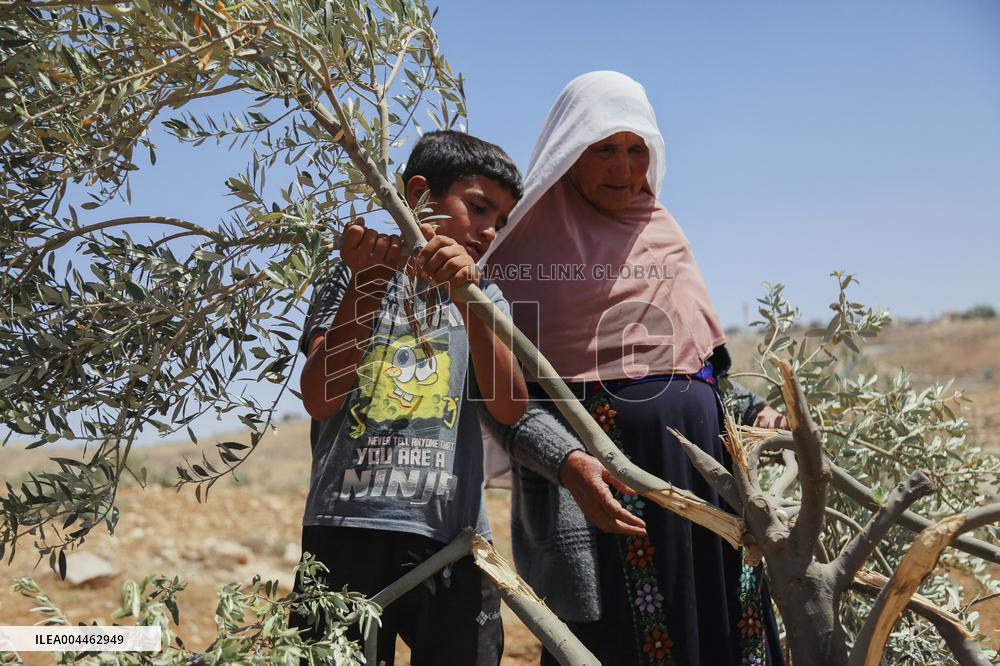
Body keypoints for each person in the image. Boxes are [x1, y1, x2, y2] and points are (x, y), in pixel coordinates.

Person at [481, 71, 785, 665]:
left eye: (635, 150)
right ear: (569, 154)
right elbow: (502, 400)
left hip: (706, 474)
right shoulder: (519, 255)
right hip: (606, 489)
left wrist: (752, 412)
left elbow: (699, 369)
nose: (622, 168)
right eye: (603, 150)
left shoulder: (663, 230)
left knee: (718, 629)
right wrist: (568, 465)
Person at [292, 130, 527, 666]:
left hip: (451, 537)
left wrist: (467, 302)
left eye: (501, 221)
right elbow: (320, 399)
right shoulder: (353, 274)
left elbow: (510, 408)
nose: (489, 231)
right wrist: (368, 283)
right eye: (479, 208)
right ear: (419, 193)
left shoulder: (485, 297)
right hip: (344, 531)